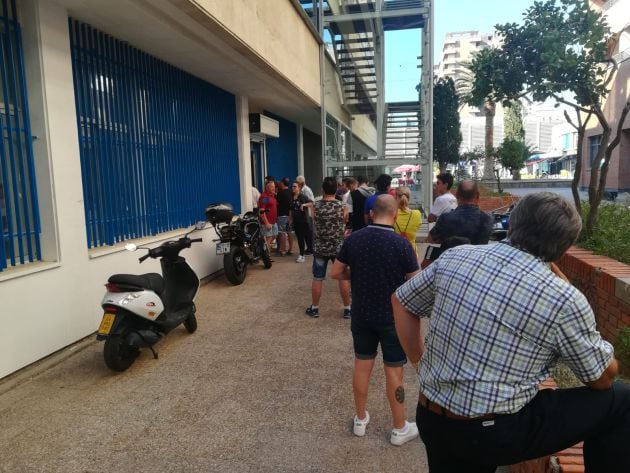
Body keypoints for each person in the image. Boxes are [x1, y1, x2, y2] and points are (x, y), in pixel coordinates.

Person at [392, 192, 629, 472]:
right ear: (564, 247)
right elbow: (601, 379)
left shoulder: (456, 257)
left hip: (433, 418)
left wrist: (419, 362)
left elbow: (401, 301)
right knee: (621, 401)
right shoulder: (563, 298)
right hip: (495, 434)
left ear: (512, 225)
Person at [331, 195, 420, 446]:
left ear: (371, 214)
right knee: (394, 372)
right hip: (393, 318)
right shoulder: (401, 245)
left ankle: (360, 420)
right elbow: (416, 282)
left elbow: (336, 272)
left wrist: (356, 274)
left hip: (361, 314)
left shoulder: (354, 239)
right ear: (394, 215)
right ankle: (399, 428)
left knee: (362, 365)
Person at [304, 177, 351, 318]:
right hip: (338, 247)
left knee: (318, 278)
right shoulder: (343, 206)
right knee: (342, 278)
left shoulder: (315, 206)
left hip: (319, 247)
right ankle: (348, 309)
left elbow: (313, 221)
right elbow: (345, 221)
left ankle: (315, 308)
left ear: (322, 189)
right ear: (336, 189)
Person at [427, 179, 493, 245]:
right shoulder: (487, 219)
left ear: (457, 195)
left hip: (450, 255)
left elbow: (429, 241)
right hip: (478, 255)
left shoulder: (445, 219)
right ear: (478, 196)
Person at [394, 186, 423, 254]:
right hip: (411, 252)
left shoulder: (391, 214)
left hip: (395, 251)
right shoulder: (417, 214)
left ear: (396, 197)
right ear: (409, 198)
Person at [290, 181, 311, 263]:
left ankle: (302, 255)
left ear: (299, 188)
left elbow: (312, 203)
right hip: (296, 221)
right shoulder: (292, 197)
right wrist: (290, 219)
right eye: (292, 186)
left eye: (295, 186)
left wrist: (304, 205)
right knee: (299, 238)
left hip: (303, 221)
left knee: (301, 238)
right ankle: (302, 253)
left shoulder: (302, 196)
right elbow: (291, 209)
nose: (293, 188)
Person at [296, 175, 315, 255]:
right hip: (303, 215)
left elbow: (312, 202)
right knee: (305, 233)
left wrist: (304, 205)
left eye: (297, 182)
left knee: (308, 233)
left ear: (301, 183)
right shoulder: (301, 190)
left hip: (308, 214)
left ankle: (310, 249)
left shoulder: (306, 190)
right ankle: (309, 248)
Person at [258, 180, 278, 251]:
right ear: (267, 188)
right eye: (271, 187)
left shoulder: (272, 195)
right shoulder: (265, 197)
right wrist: (266, 223)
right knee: (268, 238)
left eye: (274, 187)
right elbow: (261, 211)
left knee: (274, 235)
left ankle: (265, 252)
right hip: (267, 222)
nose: (273, 188)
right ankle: (266, 256)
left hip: (273, 221)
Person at [275, 177, 294, 256]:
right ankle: (290, 249)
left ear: (282, 183)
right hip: (290, 215)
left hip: (282, 215)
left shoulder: (280, 193)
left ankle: (283, 250)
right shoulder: (291, 192)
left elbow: (276, 202)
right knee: (290, 232)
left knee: (282, 232)